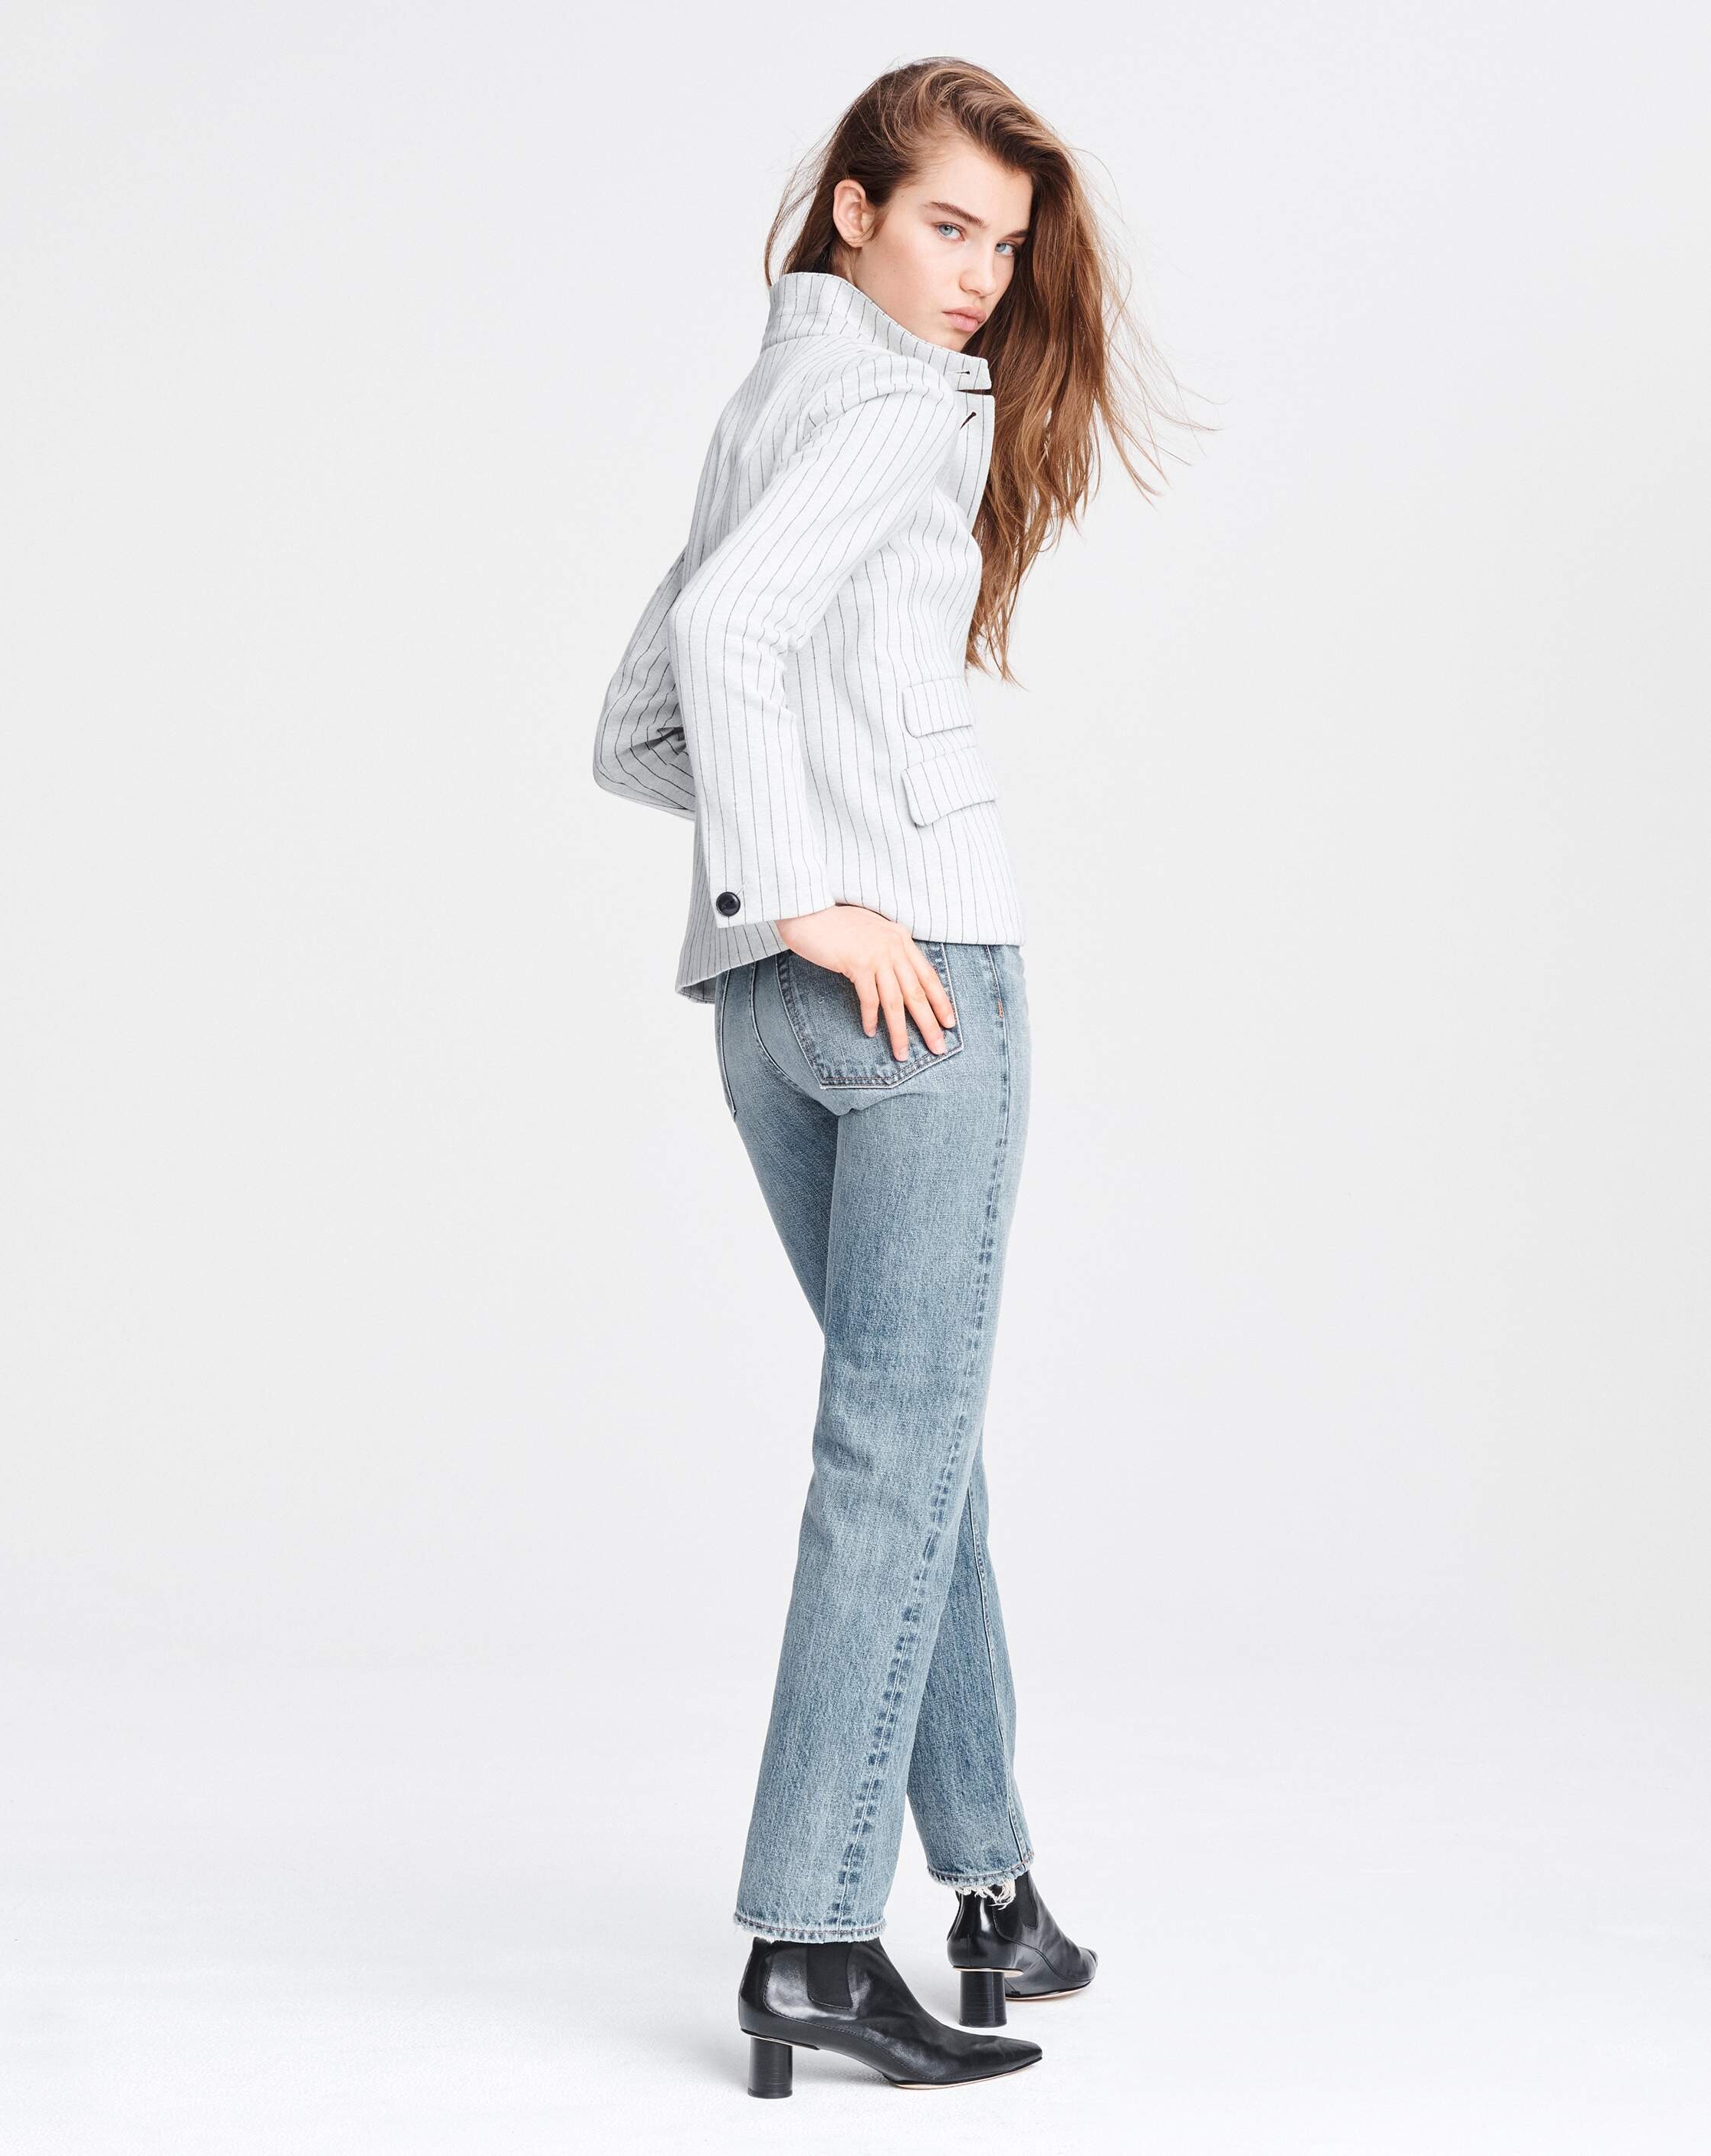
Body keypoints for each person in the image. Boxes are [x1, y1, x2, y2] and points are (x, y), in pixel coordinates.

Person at [593, 56, 1198, 2096]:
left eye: (1003, 246)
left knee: (910, 1447)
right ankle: (811, 1935)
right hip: (913, 983)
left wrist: (776, 900)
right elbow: (731, 636)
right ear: (851, 210)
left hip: (767, 1009)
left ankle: (996, 1888)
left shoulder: (768, 396)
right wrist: (830, 894)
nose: (980, 279)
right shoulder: (900, 404)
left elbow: (638, 722)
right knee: (897, 1448)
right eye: (946, 225)